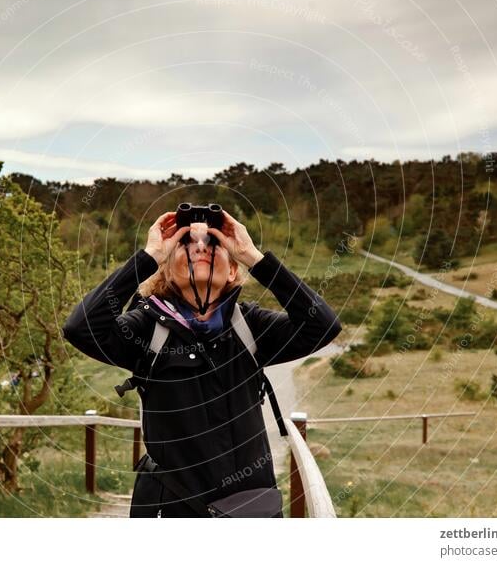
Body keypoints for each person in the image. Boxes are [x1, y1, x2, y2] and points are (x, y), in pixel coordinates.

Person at [62, 208, 342, 517]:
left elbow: (323, 325)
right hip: (172, 508)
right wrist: (149, 256)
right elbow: (80, 328)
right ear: (165, 271)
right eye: (185, 244)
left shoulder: (250, 327)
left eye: (214, 244)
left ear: (233, 271)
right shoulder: (147, 329)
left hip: (247, 510)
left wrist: (252, 255)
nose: (200, 248)